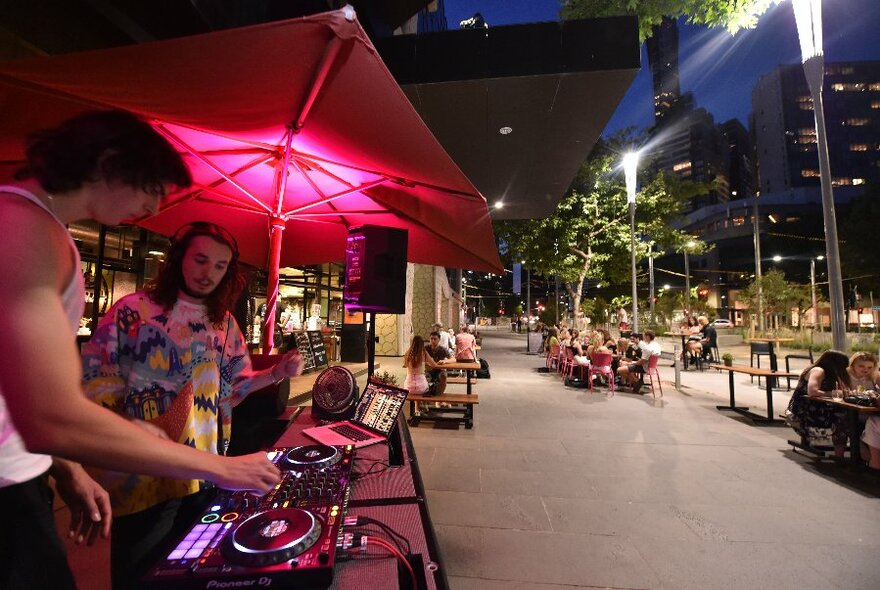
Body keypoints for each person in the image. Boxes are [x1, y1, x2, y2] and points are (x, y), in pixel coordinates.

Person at [0, 110, 280, 590]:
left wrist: (67, 469)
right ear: (110, 163)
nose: (152, 209)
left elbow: (17, 393)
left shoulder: (43, 228)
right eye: (151, 189)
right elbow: (51, 414)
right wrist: (221, 467)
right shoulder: (24, 228)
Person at [81, 221, 305, 589]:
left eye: (220, 266)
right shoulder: (131, 312)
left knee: (193, 573)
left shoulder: (224, 323)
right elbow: (93, 388)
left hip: (205, 474)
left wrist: (277, 372)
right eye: (201, 260)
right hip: (141, 478)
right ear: (178, 258)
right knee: (140, 577)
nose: (209, 273)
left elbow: (234, 389)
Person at [786, 350, 850, 456]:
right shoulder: (818, 371)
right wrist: (833, 393)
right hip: (806, 410)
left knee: (855, 417)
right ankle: (840, 454)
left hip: (818, 407)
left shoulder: (830, 374)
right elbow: (812, 391)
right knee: (844, 417)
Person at [616, 330, 661, 394]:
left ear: (648, 337)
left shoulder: (648, 348)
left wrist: (631, 363)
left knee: (620, 370)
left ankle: (636, 381)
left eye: (644, 336)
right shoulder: (657, 345)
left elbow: (642, 362)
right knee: (626, 367)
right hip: (652, 367)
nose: (643, 338)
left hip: (644, 367)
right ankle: (636, 382)